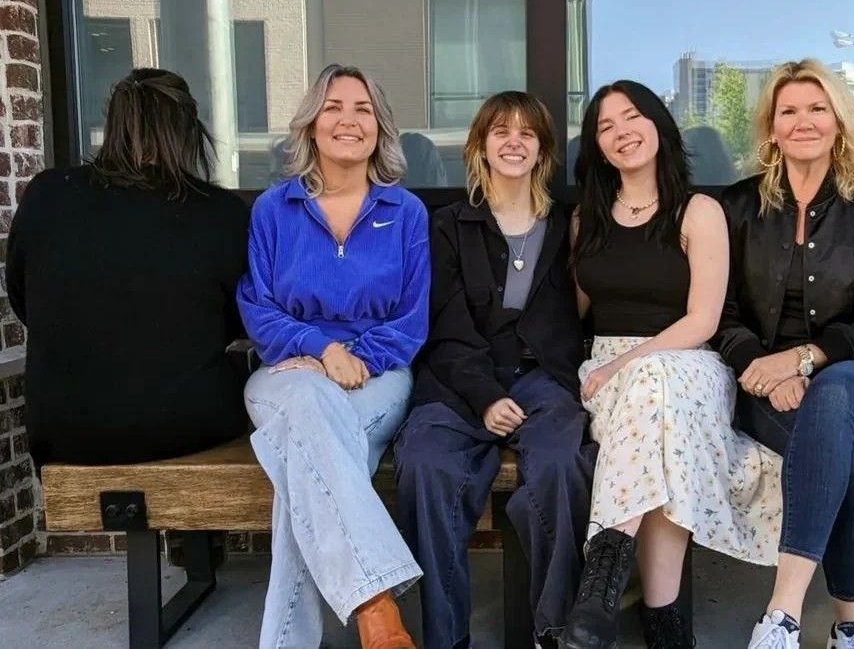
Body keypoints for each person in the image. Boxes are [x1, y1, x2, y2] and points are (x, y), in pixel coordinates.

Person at [560, 80, 783, 649]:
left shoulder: (698, 211)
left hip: (688, 364)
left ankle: (602, 575)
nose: (621, 132)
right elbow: (573, 316)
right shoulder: (586, 220)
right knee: (661, 445)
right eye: (605, 126)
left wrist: (627, 364)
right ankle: (667, 631)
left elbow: (703, 320)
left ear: (658, 125)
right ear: (597, 147)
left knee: (656, 384)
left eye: (632, 116)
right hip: (609, 374)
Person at [715, 59, 854, 649]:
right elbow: (720, 312)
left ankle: (782, 612)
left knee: (832, 395)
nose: (803, 121)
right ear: (771, 127)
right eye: (789, 111)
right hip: (761, 381)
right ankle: (850, 622)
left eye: (817, 108)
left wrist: (802, 360)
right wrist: (764, 366)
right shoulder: (737, 208)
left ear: (839, 121)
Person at [237, 64, 429, 649]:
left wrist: (355, 357)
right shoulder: (274, 210)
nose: (349, 119)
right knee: (307, 412)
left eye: (363, 109)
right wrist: (319, 349)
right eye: (333, 107)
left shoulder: (405, 213)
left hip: (378, 375)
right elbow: (258, 305)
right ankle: (377, 611)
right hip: (287, 372)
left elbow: (411, 319)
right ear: (311, 125)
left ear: (380, 127)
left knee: (306, 454)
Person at [393, 91, 595, 649]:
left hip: (543, 378)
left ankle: (554, 633)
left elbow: (577, 315)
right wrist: (484, 395)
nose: (513, 142)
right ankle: (446, 637)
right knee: (425, 463)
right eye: (500, 131)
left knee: (561, 464)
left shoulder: (569, 227)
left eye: (527, 133)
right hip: (460, 382)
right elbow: (446, 325)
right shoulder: (448, 226)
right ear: (480, 147)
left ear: (542, 151)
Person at [5, 68, 249, 468]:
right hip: (187, 425)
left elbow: (23, 297)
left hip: (64, 432)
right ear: (189, 130)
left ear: (113, 124)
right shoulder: (219, 213)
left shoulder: (48, 194)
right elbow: (238, 319)